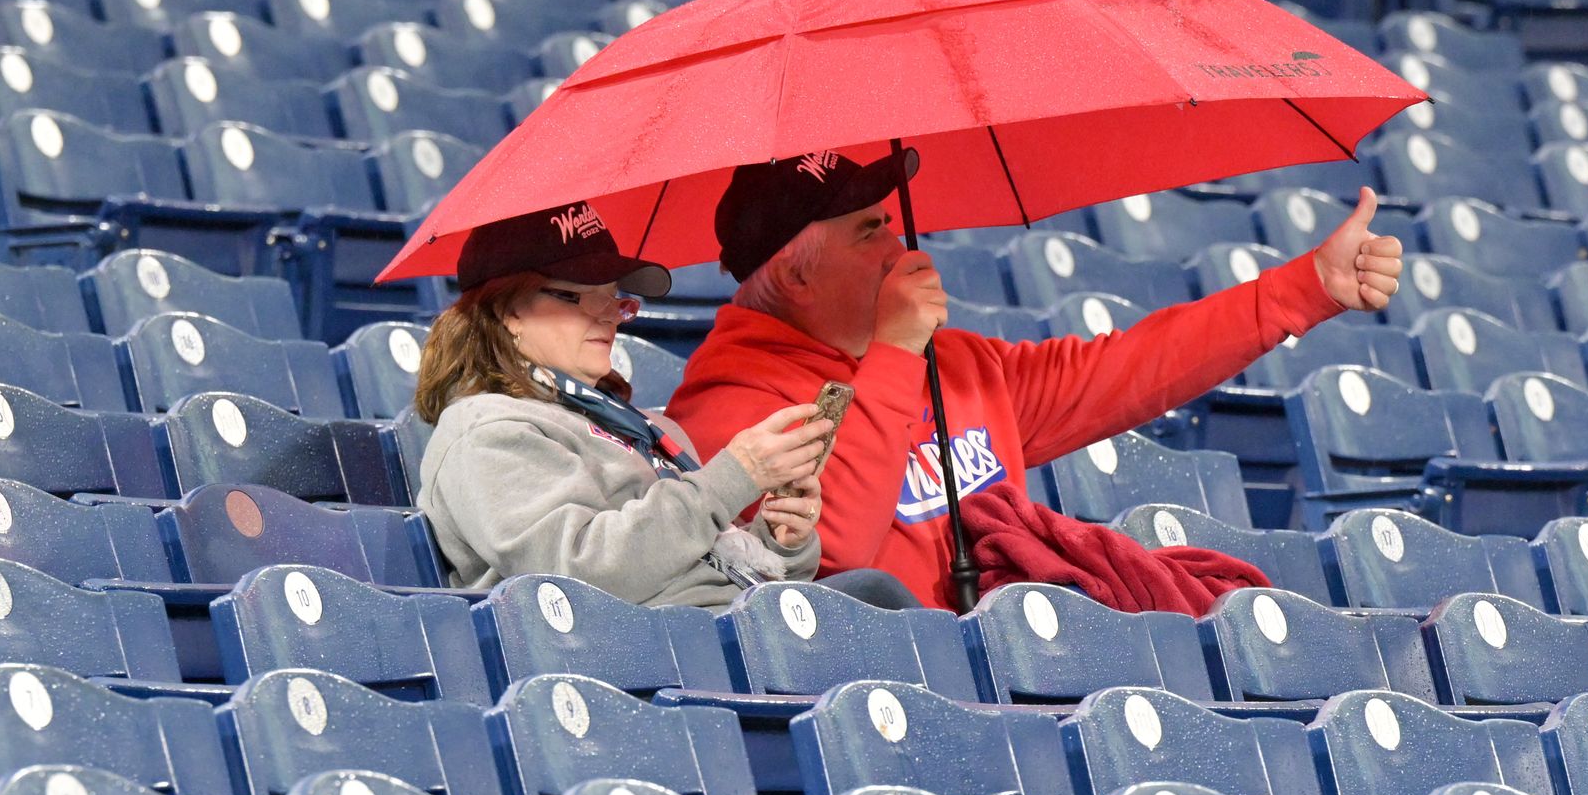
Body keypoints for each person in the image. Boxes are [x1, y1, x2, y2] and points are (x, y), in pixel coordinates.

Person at [666, 149, 1403, 611]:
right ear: (797, 275)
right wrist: (894, 351)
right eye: (869, 231)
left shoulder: (955, 365)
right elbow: (836, 553)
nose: (898, 248)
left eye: (889, 222)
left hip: (1023, 673)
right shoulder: (727, 410)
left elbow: (1130, 368)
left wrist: (1306, 287)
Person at [413, 200, 878, 612]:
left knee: (876, 596)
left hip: (722, 634)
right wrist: (731, 480)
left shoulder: (640, 425)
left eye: (614, 298)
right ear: (509, 310)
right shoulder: (487, 431)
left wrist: (778, 541)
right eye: (579, 296)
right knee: (877, 597)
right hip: (637, 660)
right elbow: (574, 580)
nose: (609, 317)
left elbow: (699, 568)